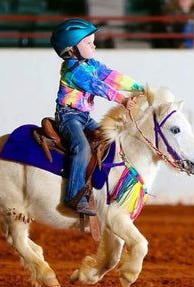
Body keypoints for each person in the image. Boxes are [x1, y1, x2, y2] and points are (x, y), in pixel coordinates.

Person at [50, 18, 144, 216]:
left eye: (93, 41)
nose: (93, 45)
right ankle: (74, 196)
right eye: (88, 42)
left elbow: (111, 76)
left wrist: (138, 87)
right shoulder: (73, 70)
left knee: (111, 140)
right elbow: (97, 86)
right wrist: (123, 100)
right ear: (71, 49)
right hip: (69, 117)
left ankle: (104, 189)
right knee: (81, 147)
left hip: (83, 116)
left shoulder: (91, 64)